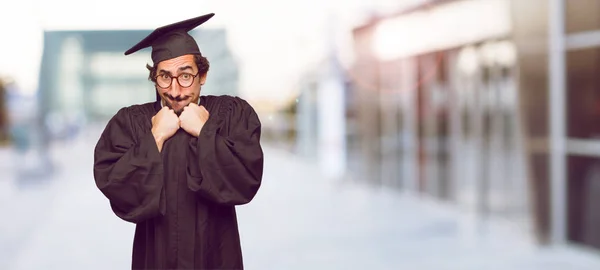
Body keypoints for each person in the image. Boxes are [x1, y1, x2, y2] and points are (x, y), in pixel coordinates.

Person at [93, 13, 264, 270]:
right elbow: (116, 186)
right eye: (164, 77)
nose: (175, 90)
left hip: (216, 257)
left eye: (186, 76)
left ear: (202, 75)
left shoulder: (229, 115)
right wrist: (155, 137)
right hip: (156, 258)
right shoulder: (133, 122)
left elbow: (244, 180)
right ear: (155, 78)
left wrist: (205, 132)